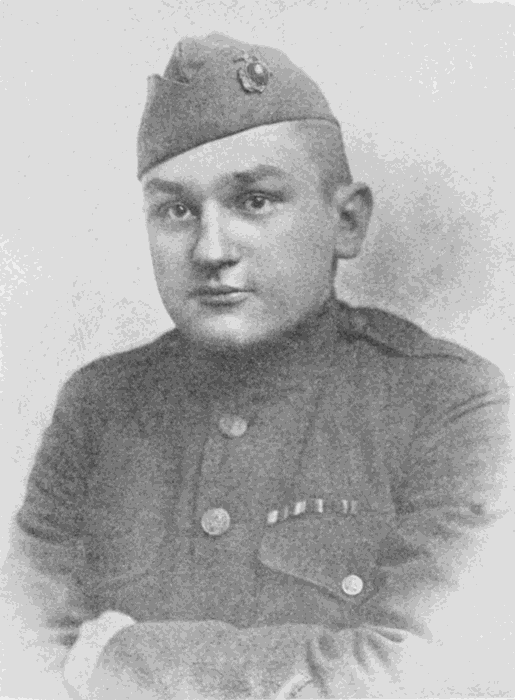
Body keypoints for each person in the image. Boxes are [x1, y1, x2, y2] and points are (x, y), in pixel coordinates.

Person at [3, 33, 513, 699]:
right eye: (176, 210)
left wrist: (111, 656)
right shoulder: (97, 406)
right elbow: (17, 658)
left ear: (347, 221)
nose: (210, 249)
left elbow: (425, 673)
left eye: (254, 201)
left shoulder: (449, 403)